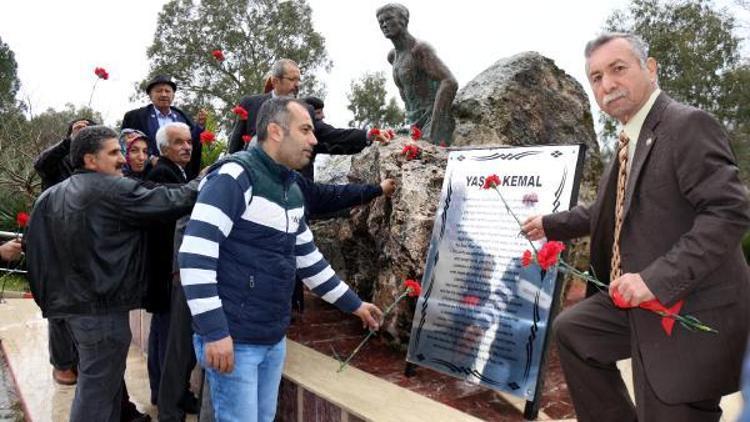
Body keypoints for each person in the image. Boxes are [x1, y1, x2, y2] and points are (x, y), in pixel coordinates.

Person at [522, 32, 750, 421]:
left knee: (665, 405)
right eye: (596, 77)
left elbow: (728, 211)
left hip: (684, 304)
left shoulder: (687, 125)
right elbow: (608, 211)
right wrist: (549, 224)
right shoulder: (629, 138)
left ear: (650, 68)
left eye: (618, 69)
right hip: (632, 302)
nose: (607, 84)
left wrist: (655, 279)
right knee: (574, 332)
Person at [179, 97, 383, 421]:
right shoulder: (234, 177)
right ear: (275, 131)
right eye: (305, 130)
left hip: (272, 339)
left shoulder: (292, 189)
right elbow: (195, 255)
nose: (314, 140)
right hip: (235, 339)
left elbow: (308, 260)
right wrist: (214, 332)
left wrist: (355, 305)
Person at [24, 126, 198, 422]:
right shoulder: (110, 188)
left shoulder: (48, 197)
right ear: (91, 160)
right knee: (95, 391)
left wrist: (50, 304)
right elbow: (173, 200)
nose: (123, 159)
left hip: (68, 311)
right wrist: (214, 178)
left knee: (104, 382)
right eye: (115, 152)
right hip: (100, 312)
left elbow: (34, 254)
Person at [227, 59, 390, 181]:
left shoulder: (306, 110)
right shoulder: (249, 103)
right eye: (292, 80)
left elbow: (332, 135)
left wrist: (370, 135)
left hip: (295, 189)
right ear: (275, 81)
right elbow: (235, 147)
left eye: (298, 80)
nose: (297, 85)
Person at [32, 117, 96, 387]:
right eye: (77, 127)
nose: (82, 130)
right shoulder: (57, 162)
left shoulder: (95, 164)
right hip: (56, 240)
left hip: (87, 242)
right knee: (60, 305)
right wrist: (70, 141)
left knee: (85, 304)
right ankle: (62, 363)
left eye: (88, 128)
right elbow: (40, 165)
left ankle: (80, 359)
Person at [141, 122, 199, 412]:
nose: (187, 147)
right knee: (169, 338)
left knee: (161, 335)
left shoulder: (175, 171)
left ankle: (160, 390)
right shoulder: (163, 174)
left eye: (188, 142)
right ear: (164, 148)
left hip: (164, 271)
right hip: (167, 271)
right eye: (179, 143)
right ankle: (170, 394)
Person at [376, 3, 457, 144]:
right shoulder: (392, 57)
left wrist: (434, 130)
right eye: (380, 22)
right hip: (413, 123)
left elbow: (449, 81)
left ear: (404, 20)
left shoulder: (419, 49)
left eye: (388, 19)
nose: (384, 24)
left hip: (432, 122)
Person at [121, 75, 205, 180]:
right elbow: (125, 146)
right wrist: (150, 158)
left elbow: (190, 141)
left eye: (167, 91)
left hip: (178, 176)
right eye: (159, 91)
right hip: (147, 177)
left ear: (173, 95)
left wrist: (200, 127)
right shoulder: (136, 116)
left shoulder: (182, 116)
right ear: (150, 95)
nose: (164, 94)